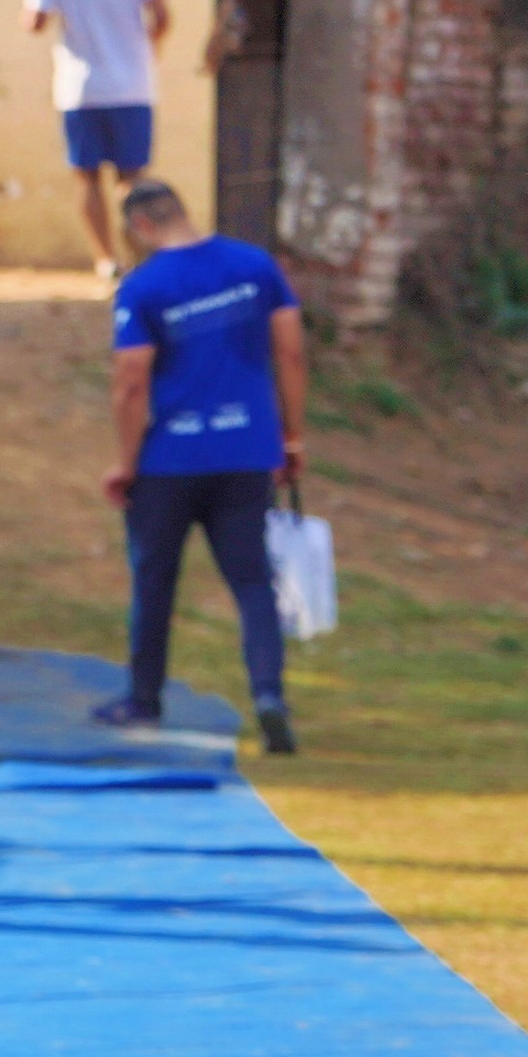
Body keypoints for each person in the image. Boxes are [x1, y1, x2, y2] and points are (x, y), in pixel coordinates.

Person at [95, 179, 305, 756]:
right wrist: (290, 436)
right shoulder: (255, 266)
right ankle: (269, 696)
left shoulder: (144, 287)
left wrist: (127, 462)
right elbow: (290, 350)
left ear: (141, 226)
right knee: (252, 581)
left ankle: (144, 700)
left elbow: (131, 380)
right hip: (246, 452)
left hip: (170, 460)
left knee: (155, 580)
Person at [23, 0, 173, 281]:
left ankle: (105, 260)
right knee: (131, 177)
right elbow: (162, 15)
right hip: (131, 84)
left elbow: (34, 21)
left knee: (86, 175)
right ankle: (139, 256)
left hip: (79, 87)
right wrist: (149, 48)